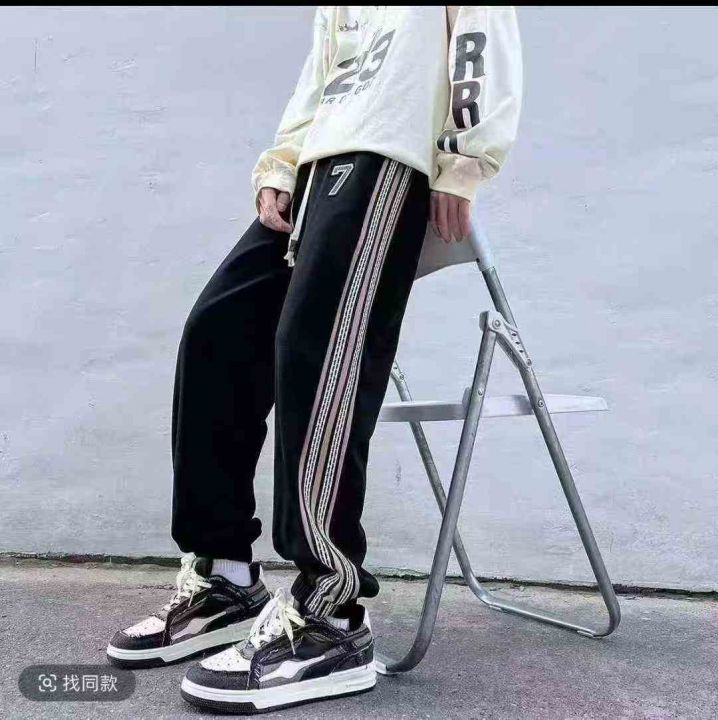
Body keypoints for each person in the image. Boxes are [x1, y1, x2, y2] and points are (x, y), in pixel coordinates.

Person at [107, 6, 522, 713]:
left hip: (392, 154)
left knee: (317, 349)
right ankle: (226, 577)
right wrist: (281, 161)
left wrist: (464, 160)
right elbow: (322, 74)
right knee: (216, 333)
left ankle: (332, 615)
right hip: (318, 164)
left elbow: (480, 42)